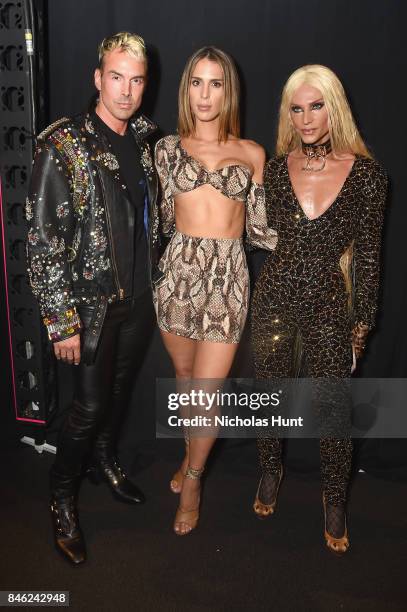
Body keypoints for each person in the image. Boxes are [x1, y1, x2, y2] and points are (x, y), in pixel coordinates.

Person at [26, 32, 159, 564]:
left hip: (139, 300)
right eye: (116, 77)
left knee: (120, 394)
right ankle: (61, 495)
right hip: (89, 307)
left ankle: (105, 461)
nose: (126, 91)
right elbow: (42, 240)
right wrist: (62, 320)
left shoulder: (147, 139)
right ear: (97, 78)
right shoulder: (64, 144)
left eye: (136, 79)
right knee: (88, 406)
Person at [250, 64, 388, 554]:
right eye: (296, 108)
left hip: (330, 304)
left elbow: (369, 257)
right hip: (274, 298)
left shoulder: (368, 176)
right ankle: (270, 469)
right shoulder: (274, 168)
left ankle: (334, 499)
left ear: (335, 106)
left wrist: (360, 330)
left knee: (333, 413)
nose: (306, 118)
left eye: (316, 105)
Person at [154, 46, 277, 535]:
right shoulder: (165, 149)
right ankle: (189, 455)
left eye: (216, 84)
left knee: (208, 391)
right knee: (184, 378)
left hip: (227, 280)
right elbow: (160, 220)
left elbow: (264, 232)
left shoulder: (251, 154)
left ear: (229, 91)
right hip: (178, 276)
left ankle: (196, 479)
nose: (205, 95)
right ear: (187, 90)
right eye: (196, 83)